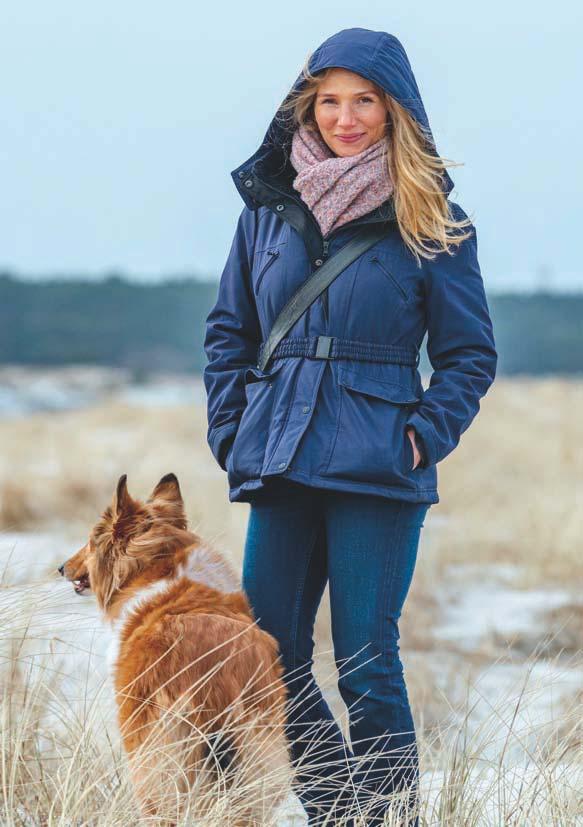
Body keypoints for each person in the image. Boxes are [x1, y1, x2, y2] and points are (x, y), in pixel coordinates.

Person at [203, 27, 497, 826]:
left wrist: (422, 434)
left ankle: (389, 816)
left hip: (378, 462)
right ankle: (339, 812)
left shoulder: (432, 219)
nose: (345, 117)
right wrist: (231, 428)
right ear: (306, 108)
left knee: (366, 661)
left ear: (394, 109)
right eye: (328, 101)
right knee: (269, 655)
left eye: (363, 100)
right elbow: (229, 331)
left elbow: (469, 354)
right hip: (280, 454)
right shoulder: (266, 213)